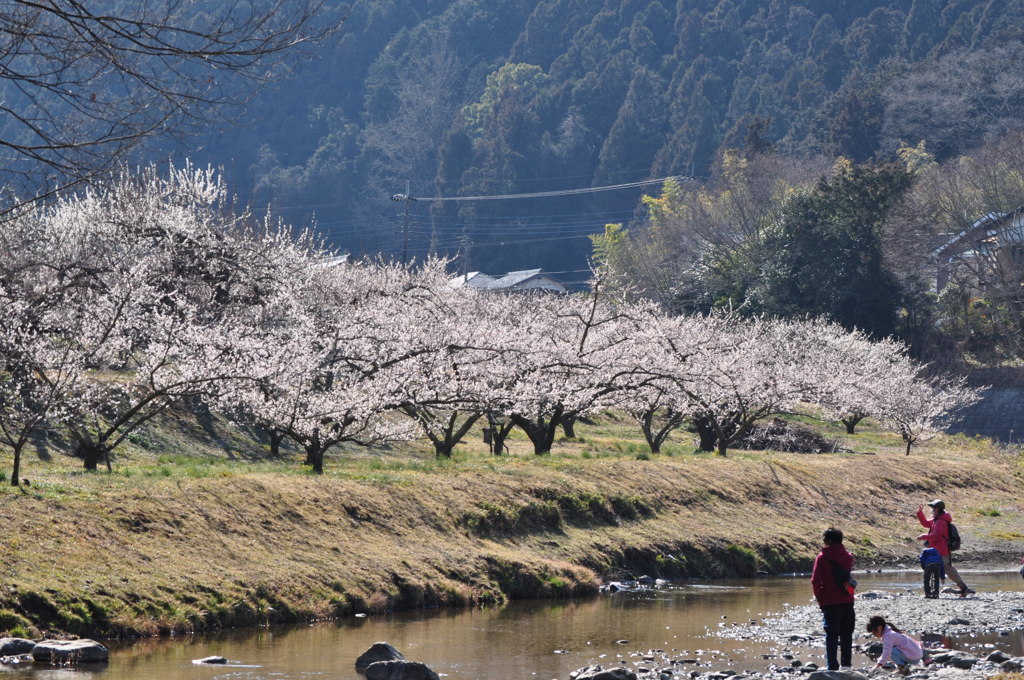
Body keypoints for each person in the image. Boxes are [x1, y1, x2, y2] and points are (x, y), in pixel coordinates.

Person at [812, 527, 856, 671]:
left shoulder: (822, 557)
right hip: (847, 600)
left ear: (828, 540)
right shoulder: (848, 557)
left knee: (831, 636)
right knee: (846, 635)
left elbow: (815, 581)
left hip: (830, 602)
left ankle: (832, 667)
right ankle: (847, 666)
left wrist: (820, 599)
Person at [916, 499, 970, 598]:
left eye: (933, 508)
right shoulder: (936, 519)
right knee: (945, 569)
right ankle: (962, 587)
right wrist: (920, 513)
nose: (932, 510)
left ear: (937, 509)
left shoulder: (941, 521)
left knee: (944, 569)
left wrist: (923, 536)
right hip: (935, 549)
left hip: (941, 550)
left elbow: (937, 535)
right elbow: (925, 523)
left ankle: (961, 587)